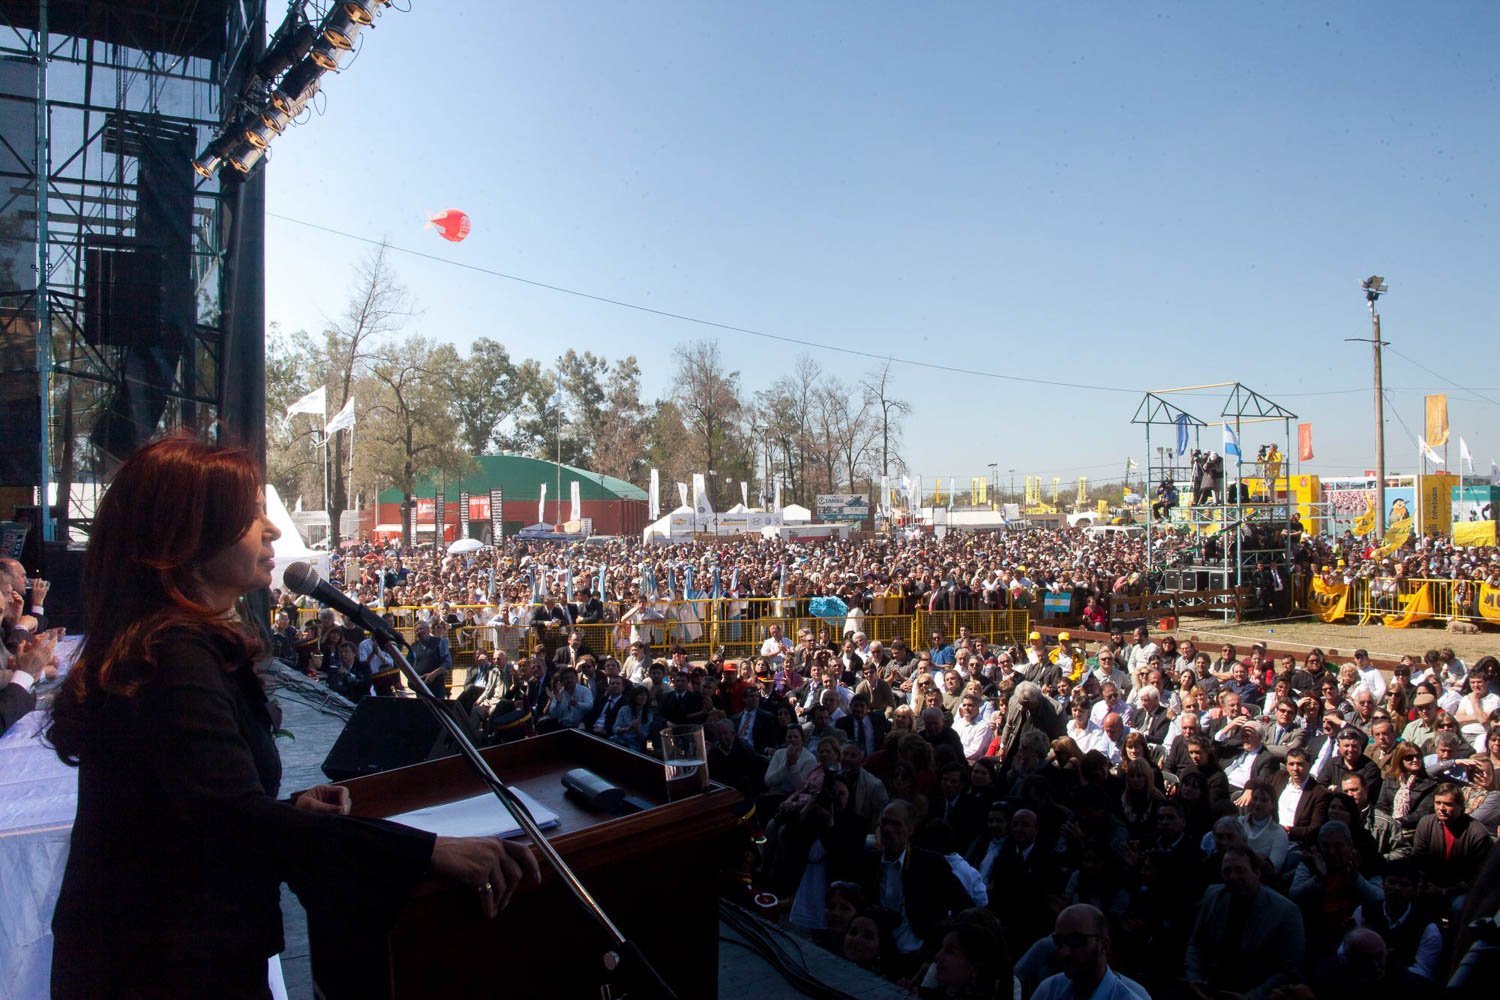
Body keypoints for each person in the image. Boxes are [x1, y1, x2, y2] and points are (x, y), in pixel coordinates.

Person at [45, 435, 539, 998]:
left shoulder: (165, 644)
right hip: (164, 968)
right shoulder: (172, 657)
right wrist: (429, 850)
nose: (273, 529)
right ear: (190, 535)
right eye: (250, 515)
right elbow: (235, 826)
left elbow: (192, 812)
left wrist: (288, 809)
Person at [1032, 903, 1149, 1000]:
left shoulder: (1131, 996)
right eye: (1058, 941)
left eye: (1076, 940)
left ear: (1104, 945)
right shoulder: (1048, 991)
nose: (1064, 952)